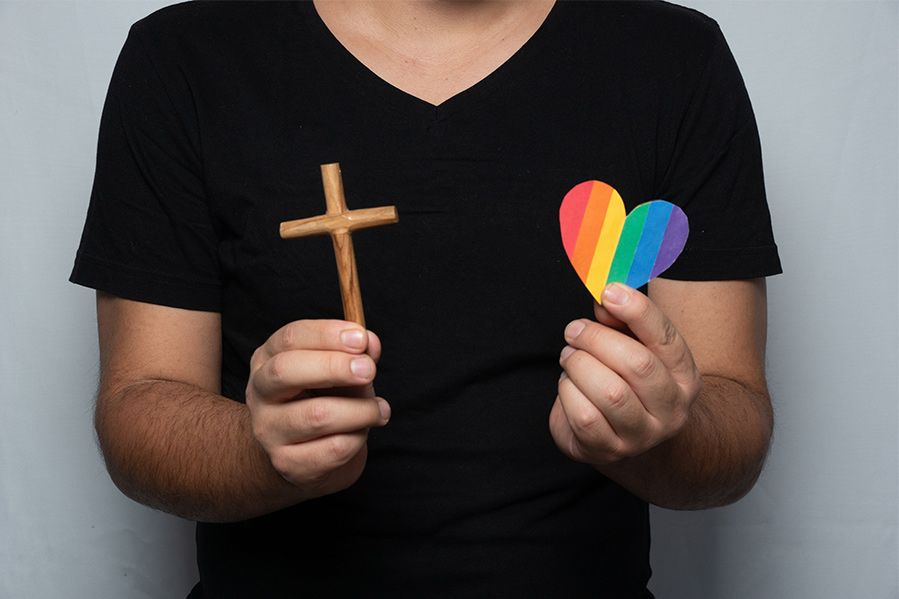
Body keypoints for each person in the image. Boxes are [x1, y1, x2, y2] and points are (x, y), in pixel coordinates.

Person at [70, 1, 782, 597]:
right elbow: (140, 405)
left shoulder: (674, 56)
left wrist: (649, 433)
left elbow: (735, 421)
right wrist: (263, 451)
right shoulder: (184, 57)